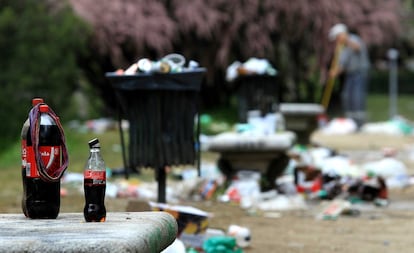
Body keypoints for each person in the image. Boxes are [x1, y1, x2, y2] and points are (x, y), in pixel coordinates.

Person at [328, 23, 370, 128]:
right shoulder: (343, 48)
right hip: (350, 75)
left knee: (357, 98)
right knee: (347, 97)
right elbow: (342, 65)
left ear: (342, 35)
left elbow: (357, 47)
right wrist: (335, 72)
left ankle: (360, 124)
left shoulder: (354, 39)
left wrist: (346, 39)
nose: (337, 41)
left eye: (337, 38)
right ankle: (352, 123)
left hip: (360, 74)